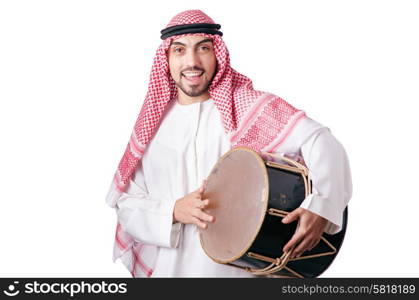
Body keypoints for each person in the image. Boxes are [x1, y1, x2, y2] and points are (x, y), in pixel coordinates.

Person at [106, 10, 352, 278]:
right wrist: (174, 210)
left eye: (203, 48)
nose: (192, 61)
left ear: (218, 55)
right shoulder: (151, 127)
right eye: (179, 50)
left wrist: (322, 206)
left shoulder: (252, 110)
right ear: (166, 58)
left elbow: (322, 142)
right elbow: (127, 205)